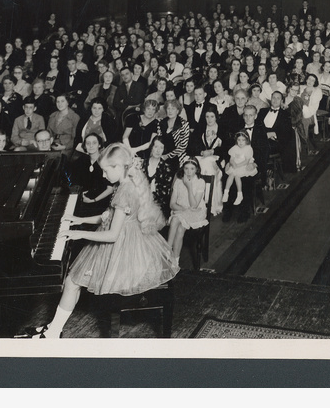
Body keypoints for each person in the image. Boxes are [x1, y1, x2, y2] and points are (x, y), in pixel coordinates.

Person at [33, 146, 178, 338]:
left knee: (72, 281)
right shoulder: (127, 182)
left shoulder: (124, 192)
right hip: (129, 241)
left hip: (124, 252)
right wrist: (81, 220)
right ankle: (53, 329)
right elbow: (109, 217)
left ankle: (53, 332)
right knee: (73, 281)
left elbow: (112, 235)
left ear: (118, 166)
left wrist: (79, 234)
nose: (103, 174)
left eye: (106, 170)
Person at [166, 157, 209, 262]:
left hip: (196, 212)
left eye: (192, 169)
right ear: (183, 169)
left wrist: (189, 187)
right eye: (186, 168)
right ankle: (172, 256)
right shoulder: (178, 182)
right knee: (177, 223)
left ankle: (167, 250)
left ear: (197, 170)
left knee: (177, 223)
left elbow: (194, 206)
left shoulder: (200, 182)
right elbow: (172, 204)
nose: (189, 172)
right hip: (182, 210)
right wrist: (182, 209)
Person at [69, 131, 114, 217]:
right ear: (85, 146)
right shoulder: (81, 161)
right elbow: (74, 182)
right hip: (84, 199)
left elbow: (110, 189)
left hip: (101, 202)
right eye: (88, 143)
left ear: (99, 145)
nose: (91, 146)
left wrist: (94, 200)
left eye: (94, 143)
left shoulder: (106, 161)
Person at [223, 132, 258, 207]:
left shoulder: (248, 148)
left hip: (244, 166)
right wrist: (233, 164)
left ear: (247, 140)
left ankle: (239, 194)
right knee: (231, 174)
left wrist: (238, 165)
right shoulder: (235, 148)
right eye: (239, 140)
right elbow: (231, 159)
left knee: (237, 175)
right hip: (235, 165)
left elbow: (246, 161)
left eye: (243, 140)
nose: (240, 142)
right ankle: (226, 192)